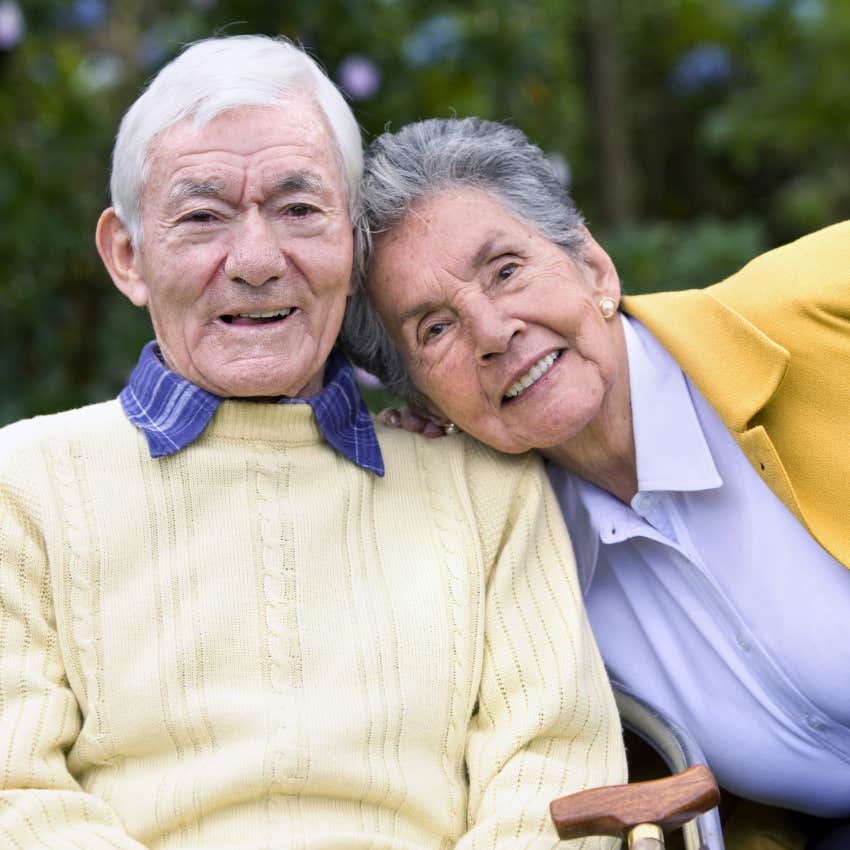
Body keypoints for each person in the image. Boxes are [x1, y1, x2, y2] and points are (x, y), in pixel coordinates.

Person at [0, 40, 627, 849]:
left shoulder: (480, 482)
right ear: (129, 256)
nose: (258, 261)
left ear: (352, 247)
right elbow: (15, 790)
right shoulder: (25, 485)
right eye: (202, 217)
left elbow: (557, 770)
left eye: (299, 210)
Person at [341, 117, 850, 850]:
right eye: (434, 330)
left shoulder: (817, 307)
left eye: (506, 269)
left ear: (593, 265)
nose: (492, 331)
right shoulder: (520, 559)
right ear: (423, 400)